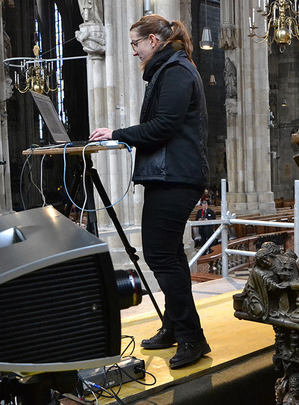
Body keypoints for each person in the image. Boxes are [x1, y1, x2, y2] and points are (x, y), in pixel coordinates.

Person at [89, 13, 211, 369]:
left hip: (176, 177)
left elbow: (163, 127)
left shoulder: (175, 71)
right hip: (170, 175)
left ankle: (192, 337)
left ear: (152, 42)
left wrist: (117, 133)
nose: (133, 52)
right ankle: (174, 327)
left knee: (158, 256)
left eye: (135, 44)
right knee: (169, 255)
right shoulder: (169, 68)